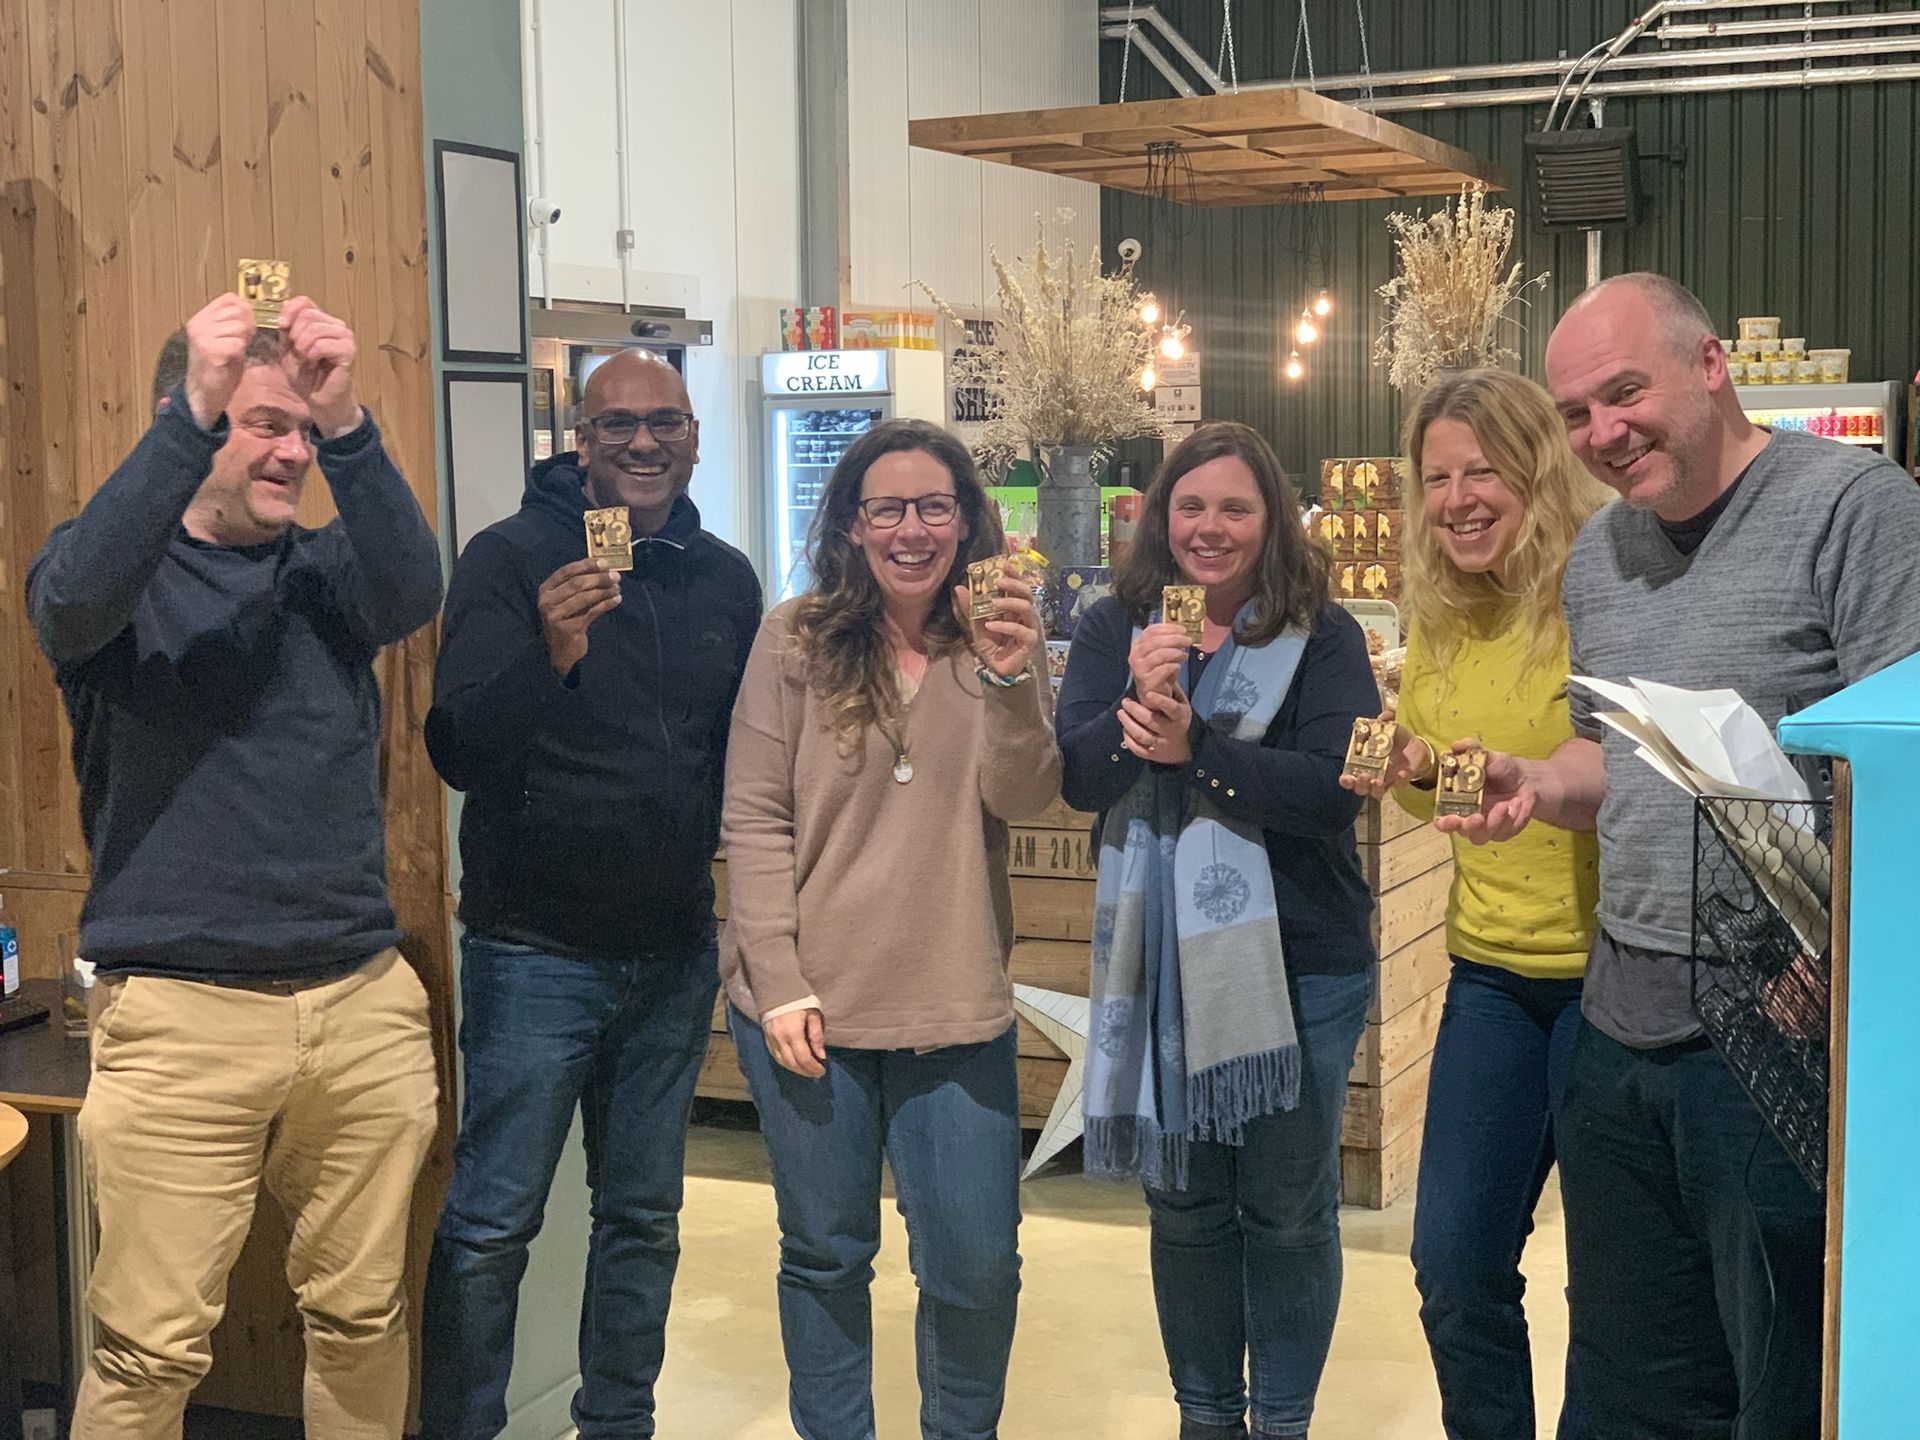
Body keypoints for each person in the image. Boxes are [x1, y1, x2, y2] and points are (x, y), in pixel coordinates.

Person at [1454, 273, 1920, 1438]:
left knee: (1777, 1383)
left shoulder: (1855, 510)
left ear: (1712, 364)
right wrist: (1539, 782)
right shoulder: (1601, 557)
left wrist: (1848, 964)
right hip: (1619, 1031)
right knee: (1629, 1383)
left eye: (1625, 393)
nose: (1603, 435)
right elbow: (1618, 756)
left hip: (1781, 1037)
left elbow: (1903, 775)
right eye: (1575, 414)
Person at [27, 293, 444, 1439]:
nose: (293, 451)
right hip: (177, 1021)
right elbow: (67, 603)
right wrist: (187, 416)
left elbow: (414, 586)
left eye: (306, 430)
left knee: (364, 1320)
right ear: (195, 421)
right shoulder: (110, 577)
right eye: (266, 423)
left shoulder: (326, 572)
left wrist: (351, 416)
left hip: (358, 1004)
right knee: (148, 1350)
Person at [419, 350, 761, 1439]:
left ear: (695, 434)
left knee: (645, 1222)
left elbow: (745, 760)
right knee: (490, 1227)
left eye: (663, 422)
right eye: (616, 426)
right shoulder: (509, 559)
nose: (643, 443)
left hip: (670, 952)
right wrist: (554, 653)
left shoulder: (723, 578)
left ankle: (619, 1423)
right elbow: (458, 749)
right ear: (580, 441)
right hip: (534, 953)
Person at [721, 418, 1060, 1440]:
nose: (912, 530)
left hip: (954, 1005)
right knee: (824, 1256)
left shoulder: (998, 640)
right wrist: (776, 977)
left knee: (975, 1267)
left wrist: (1010, 682)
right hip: (807, 1011)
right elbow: (754, 815)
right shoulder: (794, 636)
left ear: (967, 522)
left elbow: (1026, 796)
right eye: (888, 508)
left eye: (934, 507)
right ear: (853, 524)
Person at [1056, 421, 1379, 1440]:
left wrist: (1198, 749)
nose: (1210, 527)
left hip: (1303, 964)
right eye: (1189, 506)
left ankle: (1281, 1420)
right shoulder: (1118, 626)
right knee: (1186, 1211)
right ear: (1160, 519)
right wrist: (1134, 710)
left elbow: (1334, 793)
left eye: (1236, 508)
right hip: (1162, 969)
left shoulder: (1325, 635)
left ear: (1271, 520)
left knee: (1286, 1212)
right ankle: (1207, 1418)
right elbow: (1078, 780)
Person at [1336, 369, 1607, 1440]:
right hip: (1490, 978)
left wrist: (1536, 782)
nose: (1459, 499)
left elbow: (1621, 763)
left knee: (1616, 1289)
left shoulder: (1595, 593)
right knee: (1452, 1264)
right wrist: (1404, 760)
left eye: (1483, 470)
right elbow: (1454, 778)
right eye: (1438, 477)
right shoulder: (1441, 610)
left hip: (1611, 984)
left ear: (1537, 468)